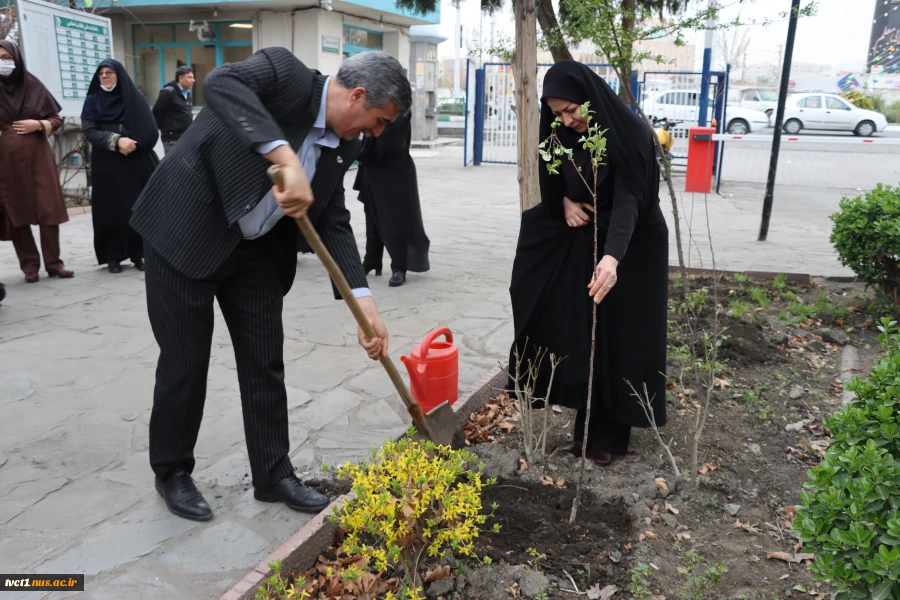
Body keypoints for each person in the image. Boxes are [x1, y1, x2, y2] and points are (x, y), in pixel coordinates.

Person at [130, 48, 410, 522]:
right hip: (186, 231)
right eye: (378, 120)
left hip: (257, 250)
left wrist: (365, 304)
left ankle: (272, 473)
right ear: (358, 95)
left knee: (265, 361)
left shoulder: (346, 145)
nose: (377, 133)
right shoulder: (287, 75)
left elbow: (334, 220)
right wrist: (282, 154)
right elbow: (220, 84)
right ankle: (172, 471)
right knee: (185, 361)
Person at [508, 61, 668, 466]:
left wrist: (613, 258)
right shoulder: (563, 134)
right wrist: (562, 200)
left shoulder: (629, 133)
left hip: (634, 246)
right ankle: (584, 430)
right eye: (557, 113)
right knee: (587, 330)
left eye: (571, 109)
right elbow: (557, 179)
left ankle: (611, 437)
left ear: (589, 98)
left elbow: (630, 200)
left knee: (620, 336)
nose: (565, 119)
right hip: (591, 241)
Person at [0, 41, 74, 283]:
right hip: (6, 162)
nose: (3, 62)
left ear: (16, 58)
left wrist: (38, 124)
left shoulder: (32, 84)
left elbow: (55, 119)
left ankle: (55, 264)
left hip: (39, 158)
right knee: (17, 211)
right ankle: (29, 266)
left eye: (6, 56)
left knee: (48, 209)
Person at [82, 59, 159, 274]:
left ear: (120, 75)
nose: (105, 76)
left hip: (134, 160)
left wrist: (133, 144)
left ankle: (139, 253)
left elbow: (150, 130)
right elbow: (89, 130)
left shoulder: (134, 99)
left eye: (110, 72)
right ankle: (113, 256)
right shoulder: (93, 101)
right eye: (101, 73)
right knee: (110, 210)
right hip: (107, 164)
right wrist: (116, 141)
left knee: (137, 207)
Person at [353, 112, 429, 287]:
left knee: (395, 221)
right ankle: (372, 260)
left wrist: (359, 148)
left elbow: (387, 146)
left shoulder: (397, 110)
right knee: (372, 218)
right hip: (372, 171)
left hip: (394, 173)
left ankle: (399, 266)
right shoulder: (375, 103)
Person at [152, 66, 194, 153]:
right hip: (172, 139)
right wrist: (163, 127)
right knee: (173, 165)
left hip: (186, 137)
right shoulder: (168, 92)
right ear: (180, 78)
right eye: (190, 77)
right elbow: (156, 111)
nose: (193, 80)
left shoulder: (188, 94)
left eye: (193, 77)